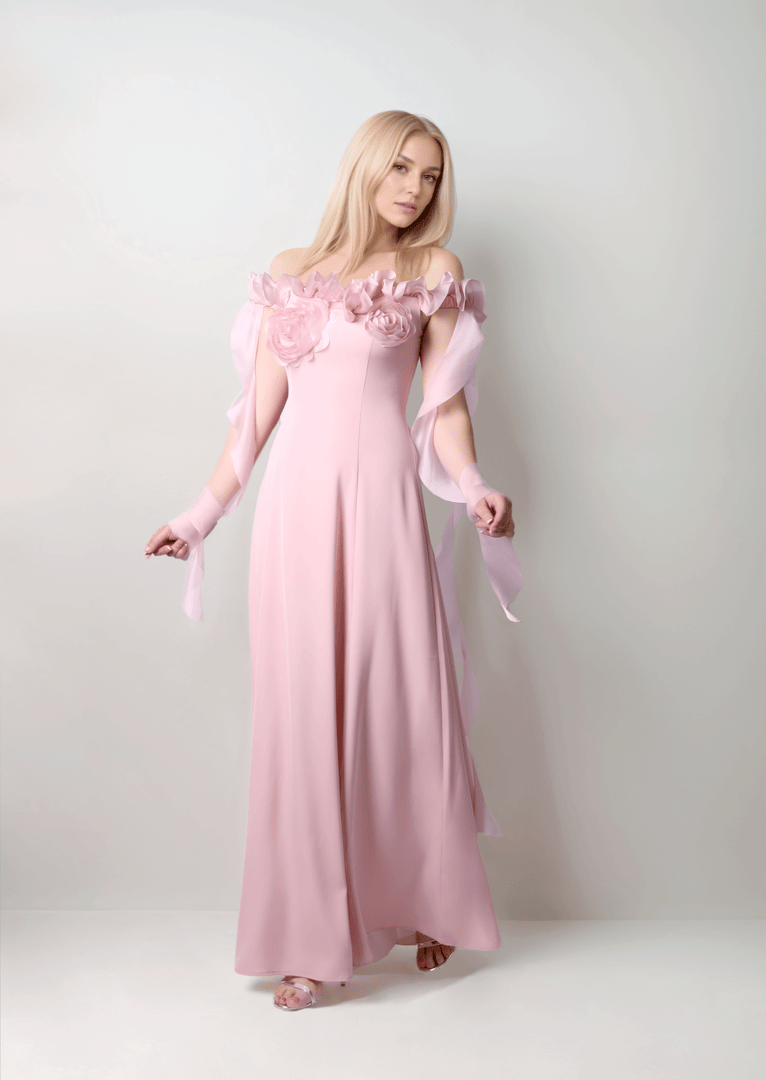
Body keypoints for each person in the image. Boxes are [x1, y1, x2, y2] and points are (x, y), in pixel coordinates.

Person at [144, 110, 523, 1012]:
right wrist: (199, 516)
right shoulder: (290, 272)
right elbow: (254, 421)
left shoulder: (433, 272)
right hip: (295, 515)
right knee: (302, 719)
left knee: (403, 705)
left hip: (384, 504)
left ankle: (426, 899)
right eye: (401, 168)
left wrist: (475, 485)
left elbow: (445, 407)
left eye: (431, 175)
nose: (415, 188)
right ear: (364, 167)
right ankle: (309, 944)